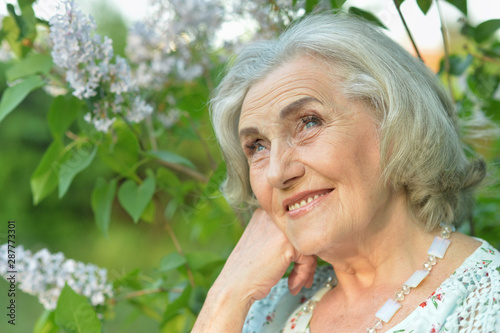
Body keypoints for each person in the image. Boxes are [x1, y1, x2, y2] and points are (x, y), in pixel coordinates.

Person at [193, 13, 500, 333]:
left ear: (395, 125)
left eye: (308, 122)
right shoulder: (265, 308)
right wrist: (228, 294)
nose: (276, 173)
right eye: (257, 146)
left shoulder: (482, 304)